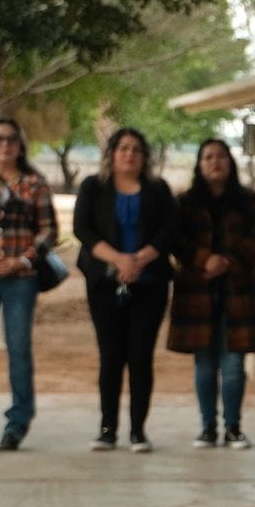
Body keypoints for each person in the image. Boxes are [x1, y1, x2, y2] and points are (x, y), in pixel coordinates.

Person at [74, 127, 178, 452]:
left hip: (150, 284)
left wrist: (140, 259)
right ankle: (107, 429)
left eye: (136, 149)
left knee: (140, 357)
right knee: (110, 356)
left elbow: (170, 230)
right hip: (104, 284)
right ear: (111, 154)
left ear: (144, 157)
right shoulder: (93, 186)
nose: (129, 154)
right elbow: (82, 229)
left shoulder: (158, 189)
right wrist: (120, 260)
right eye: (123, 148)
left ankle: (138, 431)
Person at [166, 139, 255, 450]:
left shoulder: (249, 200)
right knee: (204, 364)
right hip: (196, 291)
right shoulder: (184, 202)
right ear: (199, 164)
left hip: (238, 291)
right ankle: (207, 428)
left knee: (233, 364)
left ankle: (233, 427)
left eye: (221, 157)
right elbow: (175, 239)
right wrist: (204, 260)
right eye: (208, 157)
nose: (215, 162)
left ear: (230, 162)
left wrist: (227, 261)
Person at [0, 117, 57, 451]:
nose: (5, 145)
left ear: (21, 145)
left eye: (11, 139)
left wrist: (22, 260)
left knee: (19, 349)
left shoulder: (34, 182)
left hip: (20, 278)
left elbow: (48, 231)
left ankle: (17, 423)